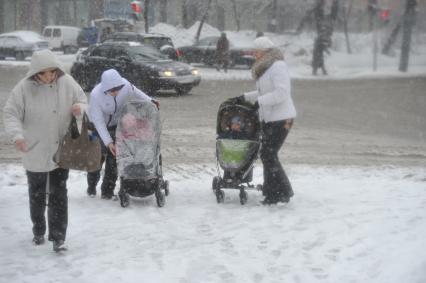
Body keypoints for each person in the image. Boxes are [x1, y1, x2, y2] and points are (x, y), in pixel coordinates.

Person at [3, 49, 87, 252]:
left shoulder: (66, 82)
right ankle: (38, 230)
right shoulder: (23, 88)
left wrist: (79, 107)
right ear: (35, 73)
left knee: (59, 193)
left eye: (52, 71)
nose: (50, 76)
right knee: (37, 193)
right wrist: (17, 136)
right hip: (35, 149)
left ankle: (59, 238)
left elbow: (82, 99)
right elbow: (10, 113)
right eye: (44, 73)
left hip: (61, 149)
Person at [230, 36, 296, 205]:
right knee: (267, 154)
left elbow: (282, 93)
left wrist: (260, 102)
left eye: (255, 51)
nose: (253, 54)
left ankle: (281, 192)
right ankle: (274, 190)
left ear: (265, 52)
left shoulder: (278, 66)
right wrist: (244, 97)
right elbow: (264, 92)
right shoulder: (266, 67)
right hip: (270, 118)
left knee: (268, 154)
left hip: (282, 118)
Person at [86, 69, 158, 199]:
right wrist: (108, 142)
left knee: (114, 159)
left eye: (117, 90)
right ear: (105, 89)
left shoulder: (125, 85)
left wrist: (151, 101)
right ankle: (91, 186)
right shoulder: (96, 95)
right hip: (96, 127)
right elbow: (98, 121)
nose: (115, 93)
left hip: (116, 125)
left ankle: (107, 192)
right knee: (97, 158)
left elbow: (136, 92)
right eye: (111, 91)